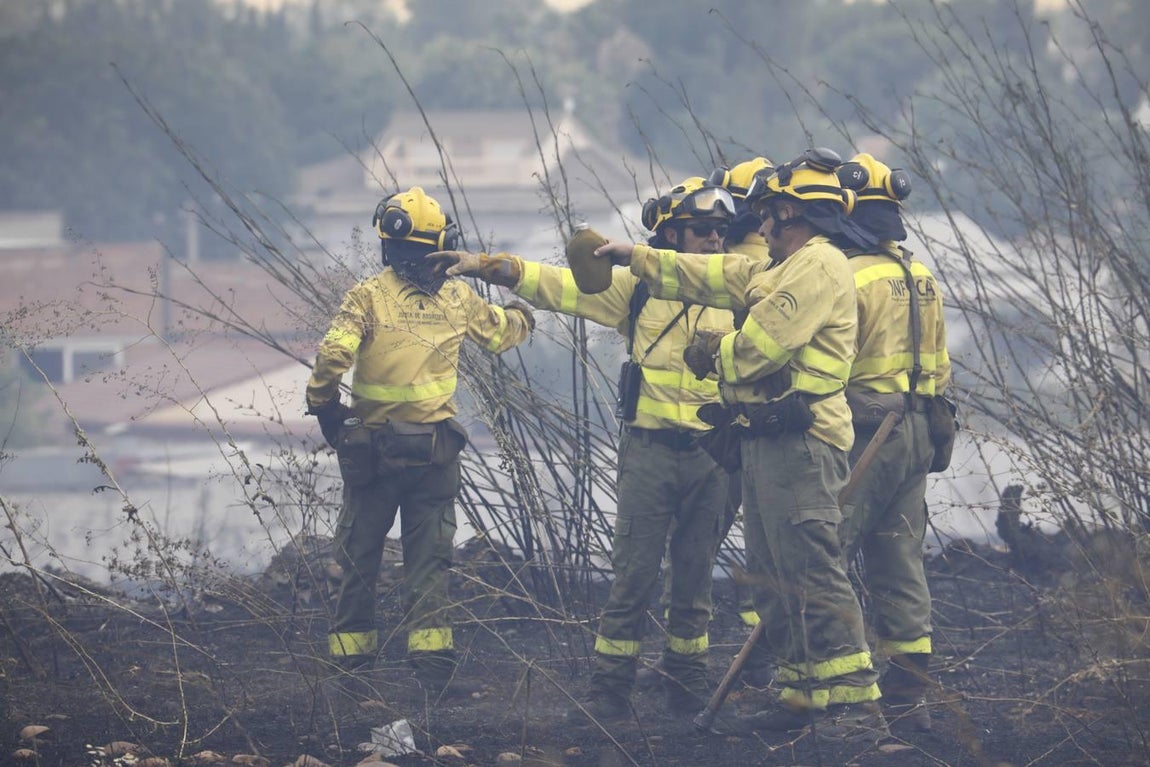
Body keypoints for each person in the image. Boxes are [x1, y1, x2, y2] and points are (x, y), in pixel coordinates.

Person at [596, 149, 890, 742]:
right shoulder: (781, 268)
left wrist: (712, 354)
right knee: (773, 572)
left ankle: (856, 708)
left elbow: (760, 346)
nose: (757, 228)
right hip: (767, 441)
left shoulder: (817, 264)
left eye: (766, 216)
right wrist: (637, 257)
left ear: (789, 212)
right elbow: (713, 275)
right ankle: (801, 693)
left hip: (802, 444)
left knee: (811, 568)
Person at [431, 177, 737, 723]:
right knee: (633, 576)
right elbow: (554, 284)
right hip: (649, 454)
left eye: (721, 231)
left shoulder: (739, 293)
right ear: (669, 235)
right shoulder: (638, 292)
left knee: (695, 579)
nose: (715, 240)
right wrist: (483, 265)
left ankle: (685, 683)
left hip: (712, 458)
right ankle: (610, 690)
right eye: (703, 230)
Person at [304, 186, 534, 696]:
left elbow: (330, 359)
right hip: (434, 455)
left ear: (386, 243)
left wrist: (325, 409)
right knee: (430, 562)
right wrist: (525, 314)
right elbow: (501, 335)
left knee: (359, 558)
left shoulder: (365, 296)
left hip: (372, 455)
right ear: (441, 244)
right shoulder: (457, 297)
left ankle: (350, 672)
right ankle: (432, 672)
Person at [835, 153, 951, 733]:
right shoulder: (920, 274)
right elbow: (941, 368)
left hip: (866, 435)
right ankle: (910, 696)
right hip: (919, 432)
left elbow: (831, 364)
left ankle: (844, 693)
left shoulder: (848, 278)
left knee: (824, 555)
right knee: (899, 558)